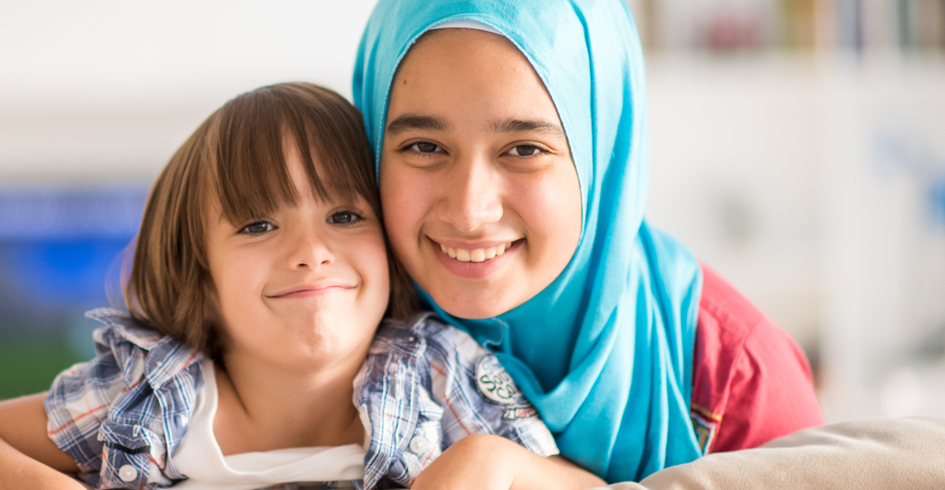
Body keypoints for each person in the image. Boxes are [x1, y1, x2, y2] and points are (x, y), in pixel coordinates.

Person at [0, 82, 597, 490]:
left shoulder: (435, 372)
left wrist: (486, 464)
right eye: (259, 225)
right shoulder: (152, 395)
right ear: (199, 268)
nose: (309, 253)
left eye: (346, 216)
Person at [352, 0, 826, 483]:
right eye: (424, 147)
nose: (470, 212)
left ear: (603, 154)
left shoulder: (735, 376)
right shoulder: (325, 326)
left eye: (524, 149)